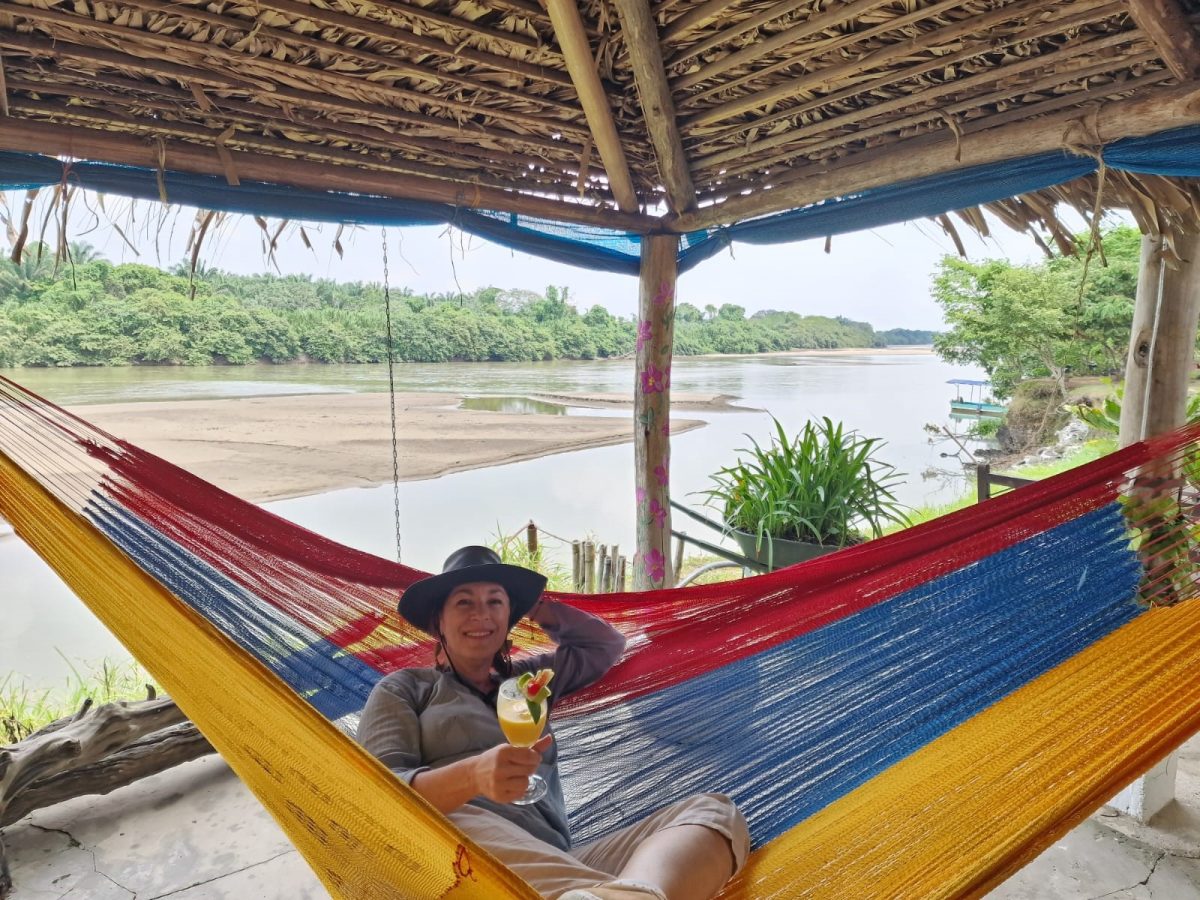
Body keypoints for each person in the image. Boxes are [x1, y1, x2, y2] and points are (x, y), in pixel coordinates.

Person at [357, 545, 749, 900]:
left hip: (558, 859)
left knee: (714, 813)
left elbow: (605, 646)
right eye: (464, 602)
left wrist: (534, 606)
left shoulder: (530, 682)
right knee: (454, 818)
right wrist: (473, 776)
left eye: (495, 602)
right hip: (463, 853)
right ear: (437, 622)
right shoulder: (406, 689)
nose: (481, 614)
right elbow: (376, 797)